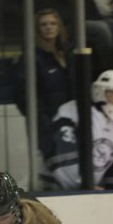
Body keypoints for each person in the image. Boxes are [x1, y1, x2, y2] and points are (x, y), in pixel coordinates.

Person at [43, 69, 113, 190]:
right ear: (99, 92)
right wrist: (86, 188)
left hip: (88, 191)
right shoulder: (71, 113)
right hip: (52, 189)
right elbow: (62, 164)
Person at [14, 9, 74, 159]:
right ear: (37, 28)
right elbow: (23, 95)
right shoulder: (30, 57)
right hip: (47, 125)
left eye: (53, 23)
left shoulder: (68, 54)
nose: (49, 27)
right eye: (43, 24)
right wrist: (43, 121)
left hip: (72, 122)